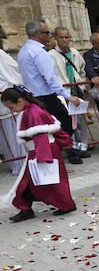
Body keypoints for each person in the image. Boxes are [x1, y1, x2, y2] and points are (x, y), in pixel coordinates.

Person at [1, 86, 76, 221]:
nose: (12, 111)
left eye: (11, 107)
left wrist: (42, 156)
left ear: (19, 101)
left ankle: (64, 205)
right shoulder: (30, 110)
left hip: (42, 151)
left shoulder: (33, 112)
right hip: (39, 151)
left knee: (51, 181)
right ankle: (27, 207)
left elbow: (40, 135)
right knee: (33, 181)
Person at [16, 20, 84, 165]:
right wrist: (68, 96)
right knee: (64, 123)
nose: (50, 35)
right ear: (39, 34)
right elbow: (51, 79)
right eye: (47, 32)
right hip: (44, 97)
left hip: (33, 96)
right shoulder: (38, 52)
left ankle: (51, 152)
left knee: (45, 127)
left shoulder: (24, 51)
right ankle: (52, 151)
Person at [49, 26, 91, 157]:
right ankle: (72, 151)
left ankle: (81, 147)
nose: (64, 40)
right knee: (68, 123)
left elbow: (82, 69)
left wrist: (82, 84)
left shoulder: (74, 52)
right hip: (63, 93)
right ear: (55, 38)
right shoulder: (50, 55)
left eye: (66, 37)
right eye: (61, 37)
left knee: (80, 122)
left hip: (77, 91)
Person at [0, 33, 27, 175]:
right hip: (4, 105)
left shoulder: (1, 55)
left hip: (8, 103)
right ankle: (16, 164)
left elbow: (16, 73)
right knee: (7, 137)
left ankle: (21, 164)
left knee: (13, 135)